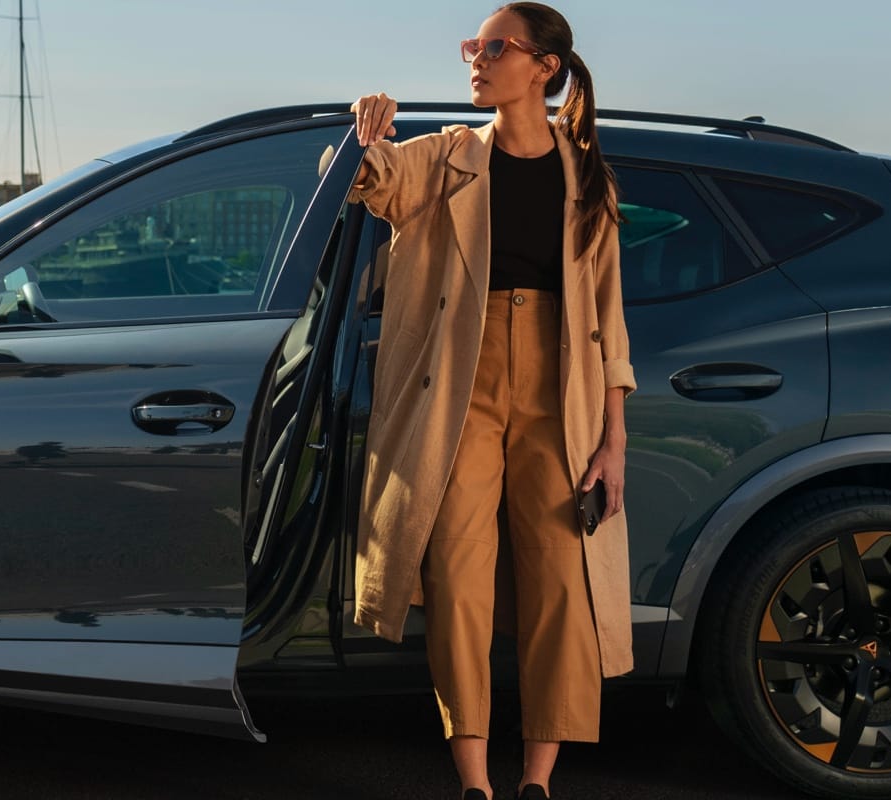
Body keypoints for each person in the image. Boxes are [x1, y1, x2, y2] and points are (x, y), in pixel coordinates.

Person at [343, 4, 639, 799]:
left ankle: (537, 781)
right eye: (472, 46)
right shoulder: (444, 157)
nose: (475, 58)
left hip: (562, 390)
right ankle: (474, 782)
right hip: (458, 385)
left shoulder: (588, 178)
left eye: (494, 46)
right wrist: (365, 135)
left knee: (560, 579)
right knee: (456, 577)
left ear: (543, 67)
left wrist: (613, 444)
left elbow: (610, 328)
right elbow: (371, 182)